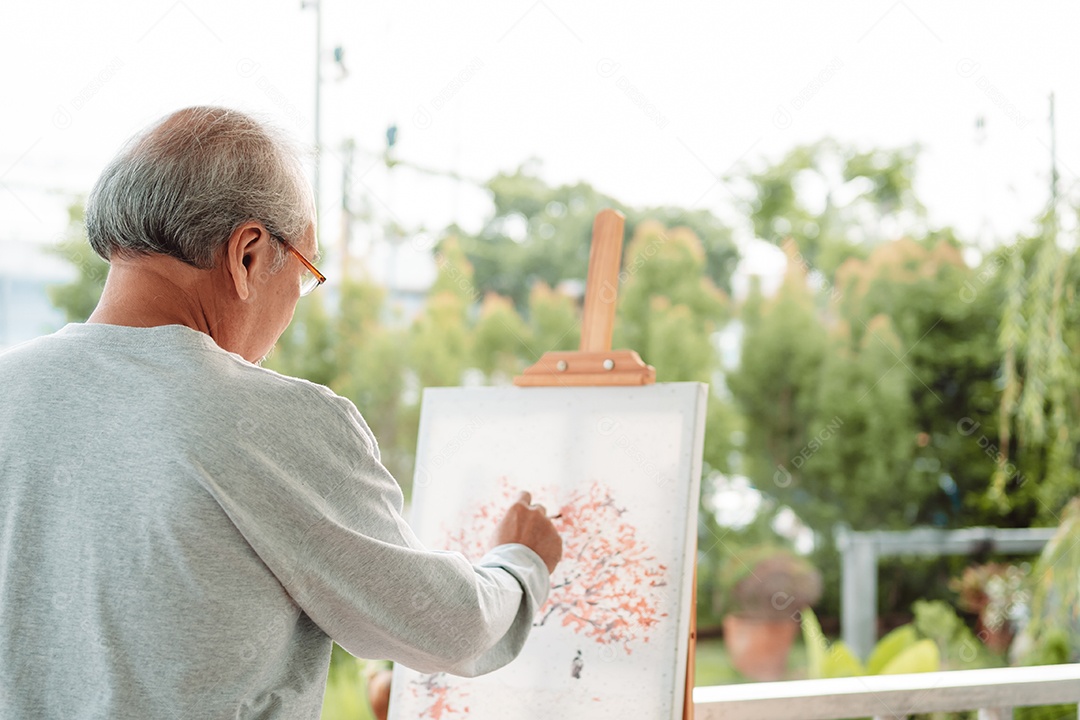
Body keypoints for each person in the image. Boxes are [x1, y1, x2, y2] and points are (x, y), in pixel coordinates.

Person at [0, 106, 563, 719]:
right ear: (246, 254)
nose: (290, 314)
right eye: (302, 277)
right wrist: (519, 563)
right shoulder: (270, 420)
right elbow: (445, 627)